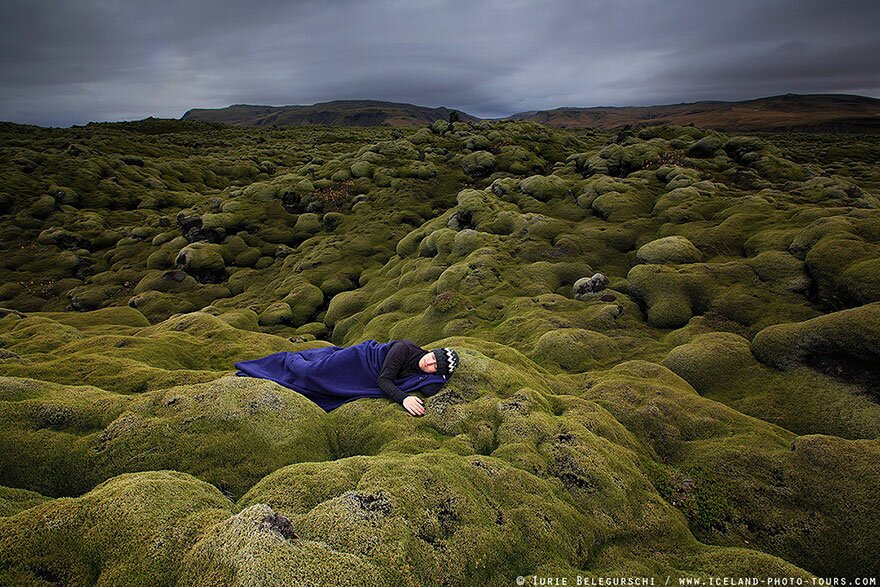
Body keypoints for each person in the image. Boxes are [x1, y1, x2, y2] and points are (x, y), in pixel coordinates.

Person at [234, 339, 459, 416]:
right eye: (431, 358)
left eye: (434, 367)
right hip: (359, 360)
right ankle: (285, 359)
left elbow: (431, 388)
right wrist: (404, 399)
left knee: (324, 391)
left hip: (366, 375)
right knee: (310, 373)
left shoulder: (428, 374)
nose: (428, 364)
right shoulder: (405, 348)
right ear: (430, 351)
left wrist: (442, 374)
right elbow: (384, 381)